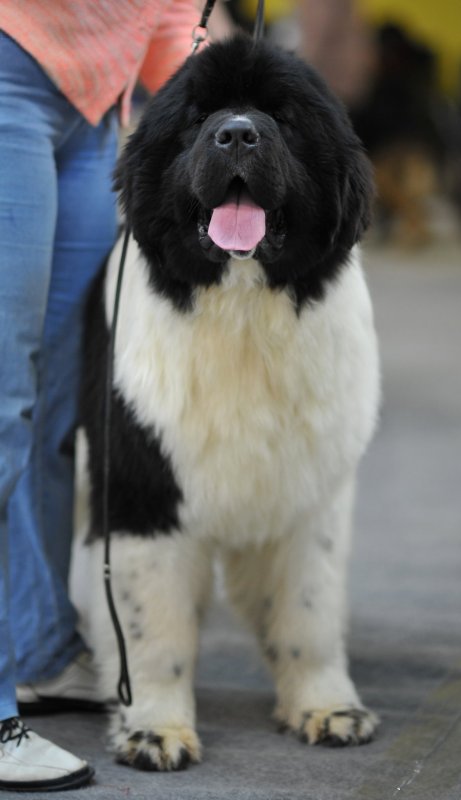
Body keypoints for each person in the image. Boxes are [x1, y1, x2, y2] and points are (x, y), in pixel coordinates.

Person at [0, 0, 232, 792]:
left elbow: (167, 25)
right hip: (10, 64)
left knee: (56, 410)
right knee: (2, 406)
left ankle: (39, 649)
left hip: (99, 104)